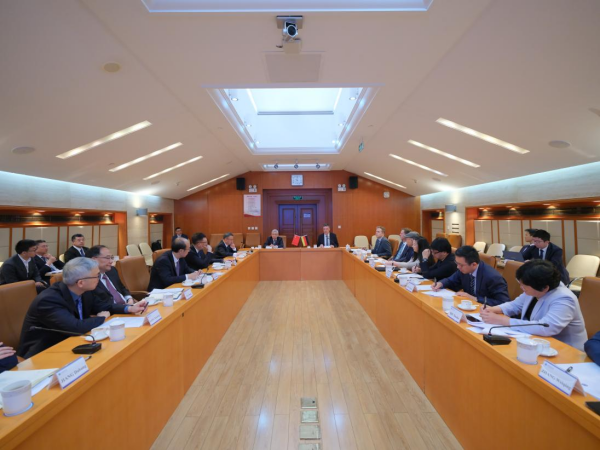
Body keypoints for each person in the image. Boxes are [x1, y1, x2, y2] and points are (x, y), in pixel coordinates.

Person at [480, 260, 587, 351]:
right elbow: (515, 305)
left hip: (564, 350)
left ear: (545, 288)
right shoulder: (535, 288)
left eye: (524, 285)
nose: (521, 287)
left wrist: (503, 321)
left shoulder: (564, 298)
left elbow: (546, 327)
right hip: (535, 341)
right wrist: (493, 309)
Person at [18, 258, 110, 359]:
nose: (98, 279)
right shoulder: (48, 300)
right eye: (96, 276)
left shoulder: (83, 291)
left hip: (73, 342)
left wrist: (124, 309)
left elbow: (104, 306)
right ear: (80, 283)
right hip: (43, 353)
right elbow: (75, 327)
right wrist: (101, 318)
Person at [432, 245, 509, 306]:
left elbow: (503, 303)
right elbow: (450, 280)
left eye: (461, 265)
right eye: (457, 263)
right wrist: (441, 283)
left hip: (487, 312)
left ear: (474, 264)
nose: (458, 267)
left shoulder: (492, 277)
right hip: (468, 307)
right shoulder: (463, 270)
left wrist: (475, 299)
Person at [87, 245, 147, 314]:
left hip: (129, 307)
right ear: (94, 259)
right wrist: (127, 308)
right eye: (107, 258)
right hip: (114, 313)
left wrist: (129, 299)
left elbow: (122, 287)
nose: (111, 261)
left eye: (111, 258)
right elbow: (99, 306)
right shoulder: (89, 280)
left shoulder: (112, 270)